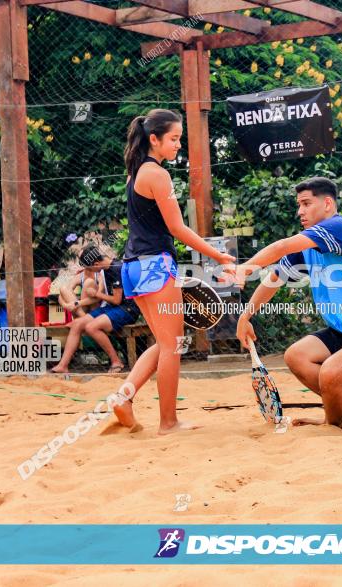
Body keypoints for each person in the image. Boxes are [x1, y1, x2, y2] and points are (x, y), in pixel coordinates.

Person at [234, 177, 342, 433]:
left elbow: (282, 246)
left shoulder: (339, 227)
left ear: (327, 203)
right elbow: (273, 280)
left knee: (330, 373)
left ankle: (333, 425)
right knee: (296, 356)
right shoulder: (308, 246)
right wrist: (244, 318)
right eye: (299, 205)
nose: (300, 211)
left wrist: (244, 268)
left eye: (306, 203)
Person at [112, 108, 235, 435]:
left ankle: (123, 397)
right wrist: (218, 256)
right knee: (174, 344)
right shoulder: (157, 174)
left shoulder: (135, 172)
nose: (178, 144)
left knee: (163, 342)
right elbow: (177, 228)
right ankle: (168, 422)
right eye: (174, 139)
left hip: (132, 268)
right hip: (154, 265)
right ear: (154, 139)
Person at [50, 245, 141, 374]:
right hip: (113, 307)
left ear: (96, 263)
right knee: (77, 324)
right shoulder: (105, 268)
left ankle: (116, 361)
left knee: (91, 327)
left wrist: (96, 294)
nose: (90, 271)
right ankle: (63, 365)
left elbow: (116, 300)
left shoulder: (116, 269)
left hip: (127, 309)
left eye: (89, 268)